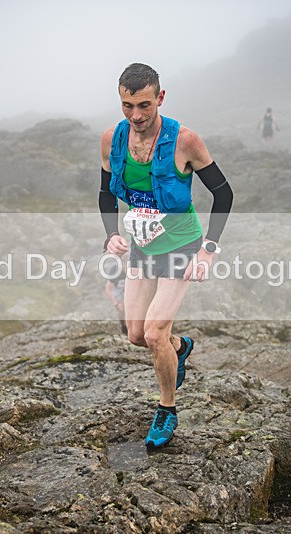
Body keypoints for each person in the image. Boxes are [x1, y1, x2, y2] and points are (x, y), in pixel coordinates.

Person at [98, 63, 234, 449]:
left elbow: (223, 194)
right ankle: (180, 347)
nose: (136, 115)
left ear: (160, 97)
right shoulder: (112, 139)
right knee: (136, 335)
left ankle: (167, 409)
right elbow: (106, 193)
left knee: (154, 333)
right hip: (142, 247)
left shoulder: (185, 141)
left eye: (144, 105)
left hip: (181, 247)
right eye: (127, 106)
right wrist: (111, 235)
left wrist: (208, 250)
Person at [103, 261, 128, 335]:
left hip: (128, 288)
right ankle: (123, 325)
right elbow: (108, 289)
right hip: (117, 289)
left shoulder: (134, 269)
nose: (126, 268)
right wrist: (116, 304)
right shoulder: (114, 271)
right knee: (121, 308)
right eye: (124, 265)